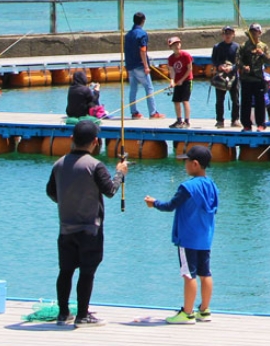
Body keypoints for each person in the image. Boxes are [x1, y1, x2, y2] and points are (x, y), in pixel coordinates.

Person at [46, 120, 127, 328]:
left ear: (72, 139)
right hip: (91, 229)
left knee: (65, 271)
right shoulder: (95, 165)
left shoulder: (59, 163)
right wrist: (120, 172)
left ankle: (63, 313)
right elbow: (110, 190)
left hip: (66, 228)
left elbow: (51, 192)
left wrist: (66, 200)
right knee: (87, 271)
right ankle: (82, 315)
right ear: (95, 142)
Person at [144, 145, 219, 325]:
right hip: (205, 237)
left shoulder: (187, 187)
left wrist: (154, 203)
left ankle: (187, 313)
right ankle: (204, 310)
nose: (184, 165)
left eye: (186, 161)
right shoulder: (213, 186)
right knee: (205, 273)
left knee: (188, 274)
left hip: (187, 238)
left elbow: (170, 205)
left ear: (195, 164)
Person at [124, 12, 165, 120]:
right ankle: (153, 112)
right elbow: (142, 50)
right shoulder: (142, 34)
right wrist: (146, 66)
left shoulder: (128, 35)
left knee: (133, 89)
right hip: (140, 65)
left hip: (130, 65)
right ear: (143, 21)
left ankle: (134, 112)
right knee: (149, 88)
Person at [237, 23, 270, 131]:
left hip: (258, 78)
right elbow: (237, 60)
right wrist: (243, 67)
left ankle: (261, 124)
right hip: (246, 78)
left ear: (259, 33)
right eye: (252, 31)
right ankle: (246, 124)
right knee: (245, 102)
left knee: (260, 102)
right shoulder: (243, 46)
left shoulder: (263, 46)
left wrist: (262, 54)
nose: (253, 33)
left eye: (255, 31)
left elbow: (269, 60)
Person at [211, 25, 240, 128]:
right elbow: (214, 60)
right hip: (221, 76)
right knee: (219, 100)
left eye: (230, 33)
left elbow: (240, 62)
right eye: (226, 33)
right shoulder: (217, 47)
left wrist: (232, 68)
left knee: (235, 99)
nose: (228, 36)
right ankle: (219, 120)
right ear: (222, 35)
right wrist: (219, 66)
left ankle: (235, 119)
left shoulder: (237, 47)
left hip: (233, 76)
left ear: (233, 35)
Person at [167, 36, 194, 129]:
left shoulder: (186, 56)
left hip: (187, 80)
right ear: (171, 47)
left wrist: (182, 80)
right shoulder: (170, 58)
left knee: (185, 100)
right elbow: (172, 71)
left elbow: (190, 69)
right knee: (176, 101)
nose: (176, 46)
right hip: (178, 82)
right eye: (174, 45)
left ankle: (187, 121)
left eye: (178, 44)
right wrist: (172, 81)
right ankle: (179, 120)